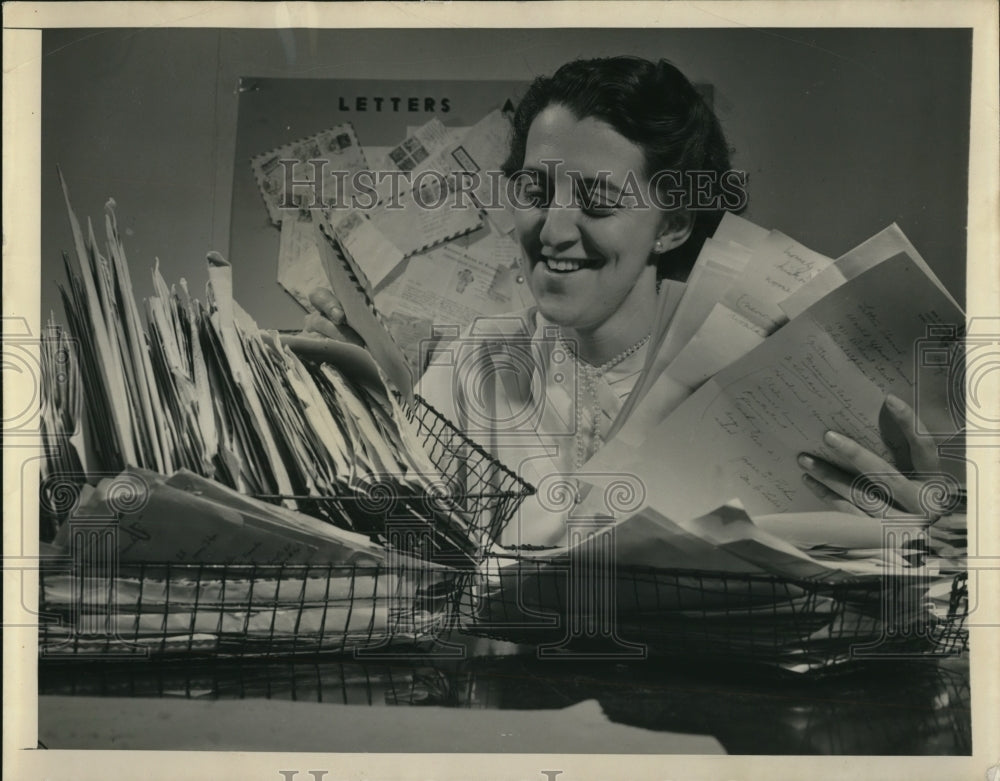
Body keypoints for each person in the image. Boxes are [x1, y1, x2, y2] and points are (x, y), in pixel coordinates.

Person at [307, 56, 944, 546]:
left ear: (672, 225)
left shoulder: (757, 379)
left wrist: (927, 535)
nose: (553, 230)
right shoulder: (467, 369)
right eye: (535, 188)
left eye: (599, 200)